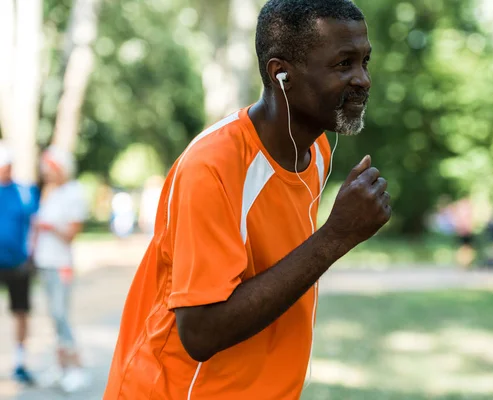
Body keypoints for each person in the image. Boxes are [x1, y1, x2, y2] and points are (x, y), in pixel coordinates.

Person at [104, 0, 390, 398]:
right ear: (281, 73)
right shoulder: (212, 167)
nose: (363, 79)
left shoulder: (319, 152)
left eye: (365, 61)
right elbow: (201, 332)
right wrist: (337, 235)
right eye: (344, 64)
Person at [33, 145, 90, 392]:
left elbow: (71, 233)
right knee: (53, 318)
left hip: (61, 265)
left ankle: (76, 368)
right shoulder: (52, 192)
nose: (46, 173)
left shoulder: (74, 193)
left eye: (50, 169)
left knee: (61, 316)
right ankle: (61, 367)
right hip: (45, 263)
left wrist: (48, 227)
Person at [0, 141, 39, 385]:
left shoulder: (25, 192)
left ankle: (20, 362)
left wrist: (31, 255)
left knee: (21, 312)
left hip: (18, 263)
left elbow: (34, 225)